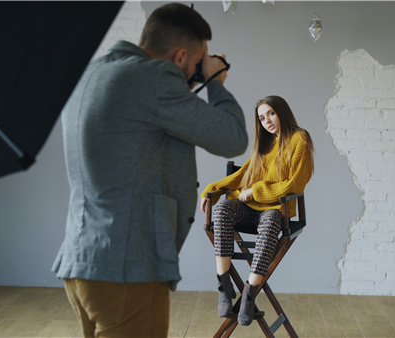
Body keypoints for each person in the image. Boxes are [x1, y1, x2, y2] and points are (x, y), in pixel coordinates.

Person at [51, 3, 248, 337]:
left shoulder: (92, 72)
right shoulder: (154, 81)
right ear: (181, 56)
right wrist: (214, 80)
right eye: (197, 62)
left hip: (81, 260)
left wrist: (186, 80)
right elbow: (233, 139)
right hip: (129, 269)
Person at [200, 95, 314, 326]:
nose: (267, 121)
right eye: (262, 118)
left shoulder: (299, 138)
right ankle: (225, 287)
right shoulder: (266, 143)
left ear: (282, 112)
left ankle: (249, 295)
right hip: (250, 210)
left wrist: (256, 190)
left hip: (277, 209)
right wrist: (212, 189)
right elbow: (243, 174)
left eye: (271, 113)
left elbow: (295, 184)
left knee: (271, 221)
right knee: (222, 209)